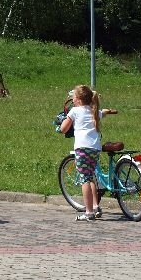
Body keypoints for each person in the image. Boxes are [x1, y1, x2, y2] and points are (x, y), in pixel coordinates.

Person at [59, 85, 117, 221]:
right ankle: (95, 206)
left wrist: (61, 125)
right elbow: (103, 112)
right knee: (90, 176)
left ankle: (89, 212)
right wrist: (107, 111)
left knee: (85, 179)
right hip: (95, 148)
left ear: (78, 99)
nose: (72, 99)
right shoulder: (94, 110)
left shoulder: (74, 111)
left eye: (73, 97)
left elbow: (63, 129)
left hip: (82, 148)